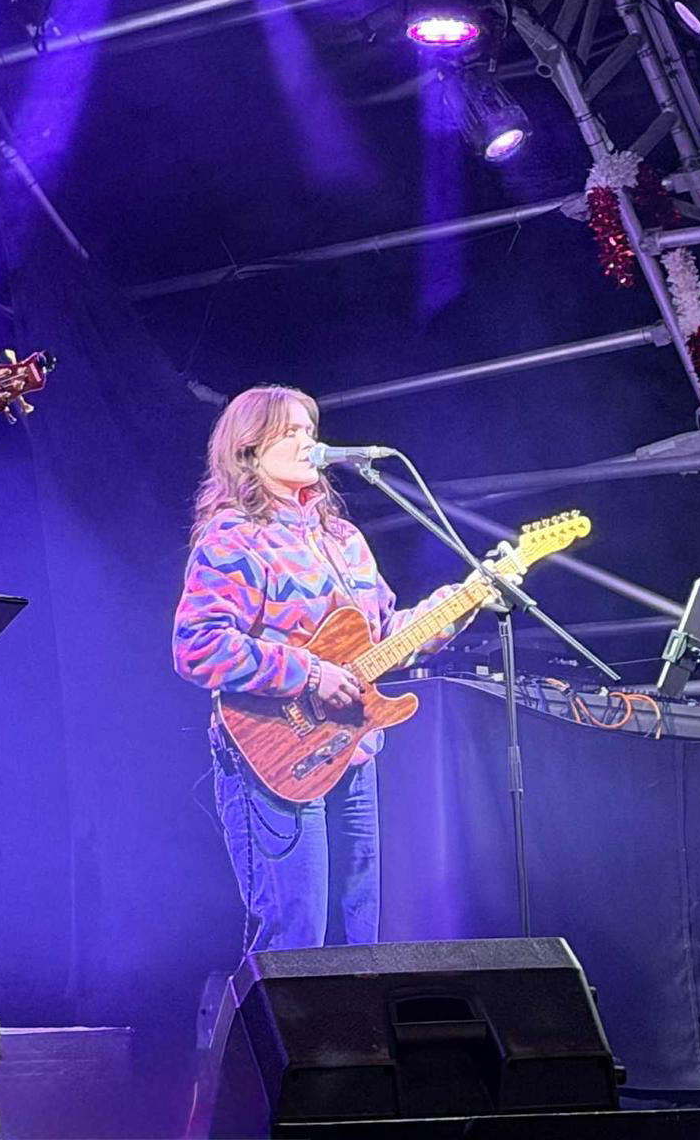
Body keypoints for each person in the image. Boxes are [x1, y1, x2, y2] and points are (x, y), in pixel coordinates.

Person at [172, 385, 509, 952]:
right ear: (249, 450)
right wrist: (309, 673)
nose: (309, 442)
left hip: (351, 751)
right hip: (273, 756)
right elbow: (197, 645)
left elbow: (385, 638)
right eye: (291, 432)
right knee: (294, 935)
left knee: (360, 935)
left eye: (310, 429)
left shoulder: (344, 541)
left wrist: (466, 599)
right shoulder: (234, 539)